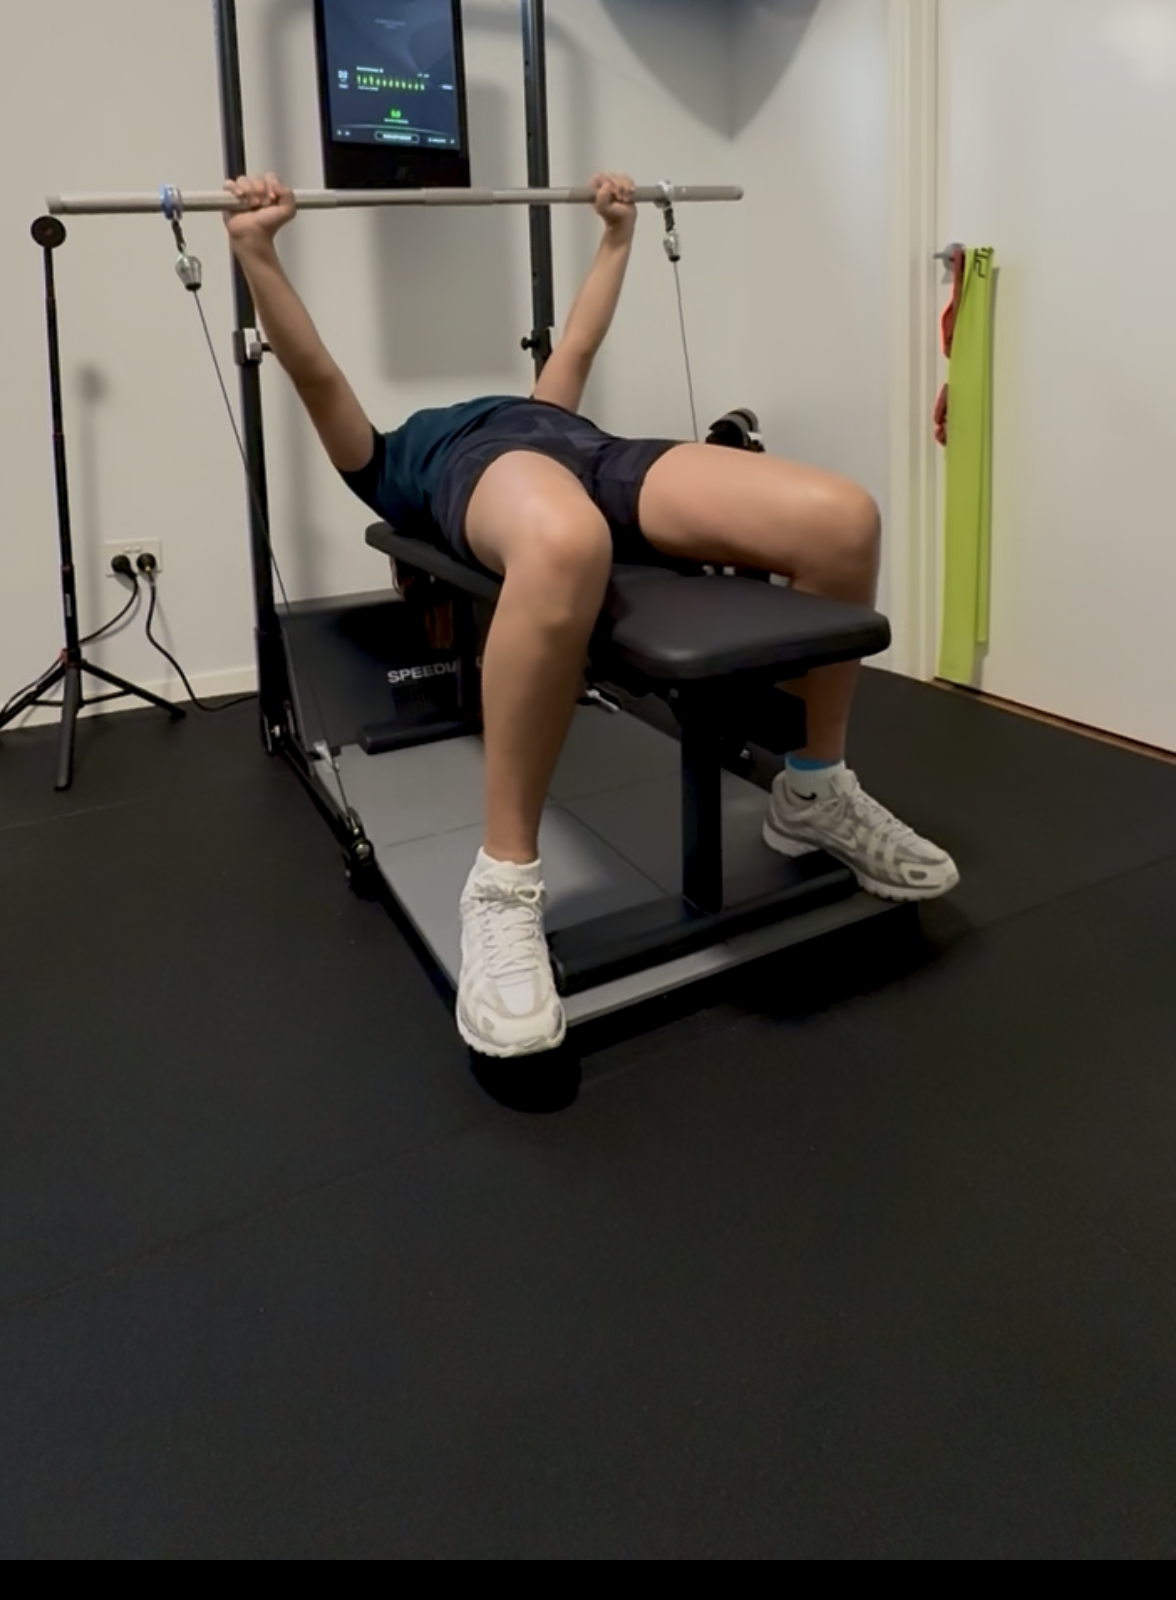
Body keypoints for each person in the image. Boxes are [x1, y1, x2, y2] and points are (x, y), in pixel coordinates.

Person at [224, 170, 958, 1059]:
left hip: (594, 454)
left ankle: (813, 788)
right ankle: (500, 883)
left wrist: (618, 232)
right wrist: (256, 251)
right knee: (567, 543)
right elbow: (314, 369)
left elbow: (579, 337)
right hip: (490, 474)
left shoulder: (546, 404)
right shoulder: (385, 465)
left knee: (843, 518)